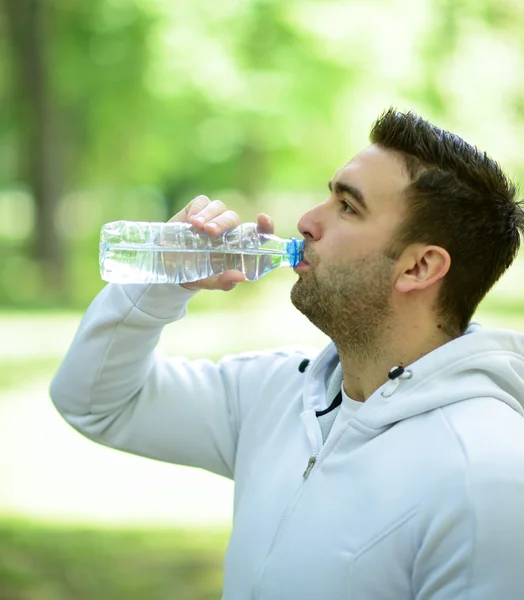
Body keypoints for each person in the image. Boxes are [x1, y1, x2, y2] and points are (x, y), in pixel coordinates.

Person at [50, 108, 524, 599]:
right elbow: (96, 402)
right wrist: (163, 280)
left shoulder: (484, 478)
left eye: (347, 207)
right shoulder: (277, 393)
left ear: (419, 267)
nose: (306, 222)